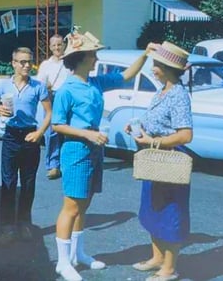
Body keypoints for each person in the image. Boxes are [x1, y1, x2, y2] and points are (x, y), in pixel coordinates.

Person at [51, 29, 155, 281]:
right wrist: (88, 135)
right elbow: (57, 125)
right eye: (93, 54)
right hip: (76, 149)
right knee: (71, 206)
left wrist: (145, 54)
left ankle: (79, 254)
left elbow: (126, 76)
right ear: (81, 57)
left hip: (94, 148)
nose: (97, 58)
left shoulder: (95, 82)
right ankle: (63, 263)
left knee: (84, 204)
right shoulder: (67, 89)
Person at [128, 41, 193, 281]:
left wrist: (153, 142)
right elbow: (157, 122)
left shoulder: (178, 94)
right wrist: (139, 128)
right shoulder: (162, 90)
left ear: (167, 68)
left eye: (156, 64)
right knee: (152, 208)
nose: (153, 68)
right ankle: (157, 258)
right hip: (155, 158)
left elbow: (186, 134)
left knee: (170, 212)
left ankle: (169, 268)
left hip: (169, 158)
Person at [0, 47, 51, 243]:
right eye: (22, 62)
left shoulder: (38, 86)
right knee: (8, 183)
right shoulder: (4, 85)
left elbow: (49, 113)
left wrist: (39, 133)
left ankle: (24, 223)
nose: (27, 65)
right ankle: (7, 227)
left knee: (28, 184)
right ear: (13, 63)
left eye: (29, 62)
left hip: (30, 136)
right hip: (11, 137)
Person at [36, 34, 67, 180]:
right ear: (50, 47)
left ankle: (65, 163)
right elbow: (39, 83)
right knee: (52, 132)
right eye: (54, 45)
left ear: (64, 45)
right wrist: (45, 86)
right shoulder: (45, 65)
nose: (57, 48)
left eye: (59, 44)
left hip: (67, 97)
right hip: (51, 97)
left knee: (68, 130)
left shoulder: (69, 62)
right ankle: (53, 165)